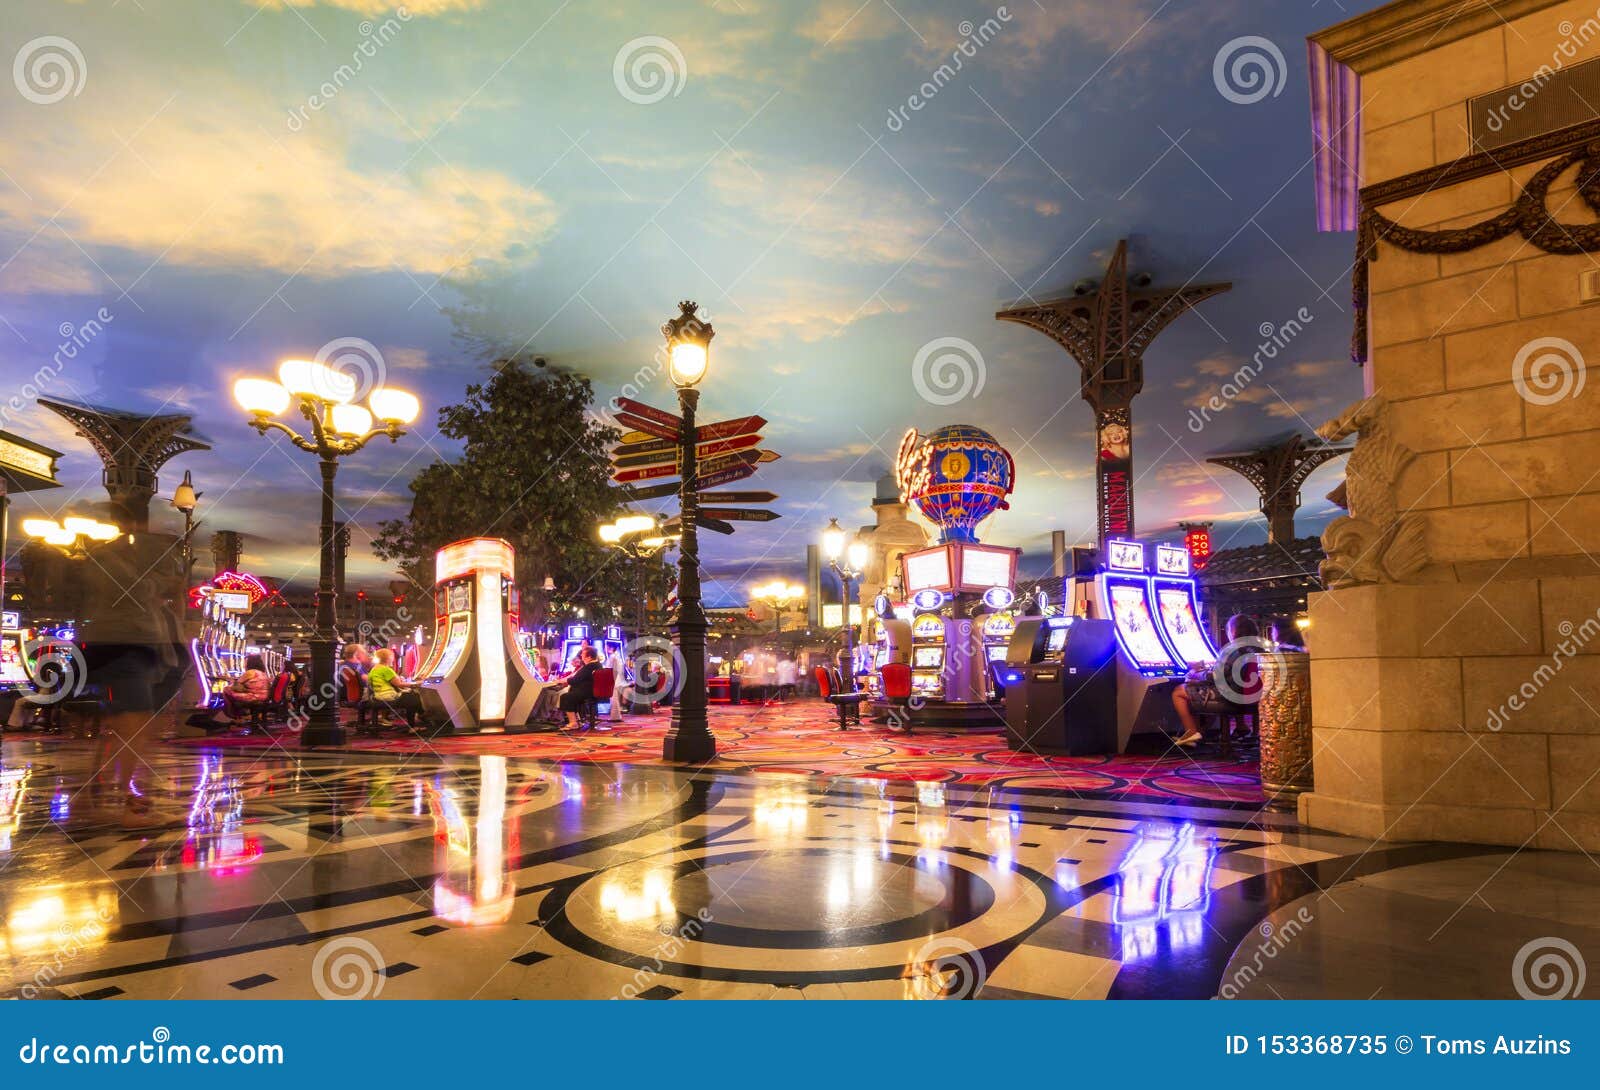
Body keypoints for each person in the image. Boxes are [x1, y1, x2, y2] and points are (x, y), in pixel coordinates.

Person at [1172, 614, 1261, 748]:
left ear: (1234, 631)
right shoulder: (1258, 648)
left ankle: (1191, 734)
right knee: (1205, 691)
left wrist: (1197, 673)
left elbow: (1216, 676)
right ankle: (1203, 733)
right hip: (1253, 700)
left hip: (1231, 701)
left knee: (1179, 691)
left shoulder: (1233, 649)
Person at [368, 648, 424, 730]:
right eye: (392, 657)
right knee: (413, 697)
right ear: (389, 658)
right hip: (388, 697)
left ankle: (420, 716)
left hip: (377, 696)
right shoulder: (386, 669)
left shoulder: (374, 669)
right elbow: (399, 685)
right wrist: (415, 683)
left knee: (410, 696)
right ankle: (415, 724)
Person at [559, 647, 604, 731]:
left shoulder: (589, 666)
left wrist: (563, 681)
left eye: (583, 654)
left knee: (565, 697)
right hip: (593, 691)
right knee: (570, 694)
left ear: (589, 657)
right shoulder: (598, 664)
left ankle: (573, 723)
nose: (581, 655)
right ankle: (578, 721)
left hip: (587, 692)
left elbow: (576, 679)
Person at [221, 653, 271, 721]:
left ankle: (232, 715)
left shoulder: (250, 672)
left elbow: (236, 685)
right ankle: (242, 715)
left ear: (250, 663)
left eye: (246, 662)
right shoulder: (262, 673)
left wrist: (231, 682)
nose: (245, 664)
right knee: (237, 693)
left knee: (226, 690)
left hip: (254, 697)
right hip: (264, 697)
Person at [604, 647, 629, 722]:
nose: (605, 649)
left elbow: (608, 668)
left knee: (614, 698)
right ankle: (616, 716)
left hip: (613, 679)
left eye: (607, 647)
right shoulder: (618, 656)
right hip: (618, 679)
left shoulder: (613, 657)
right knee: (615, 699)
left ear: (611, 648)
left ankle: (615, 717)